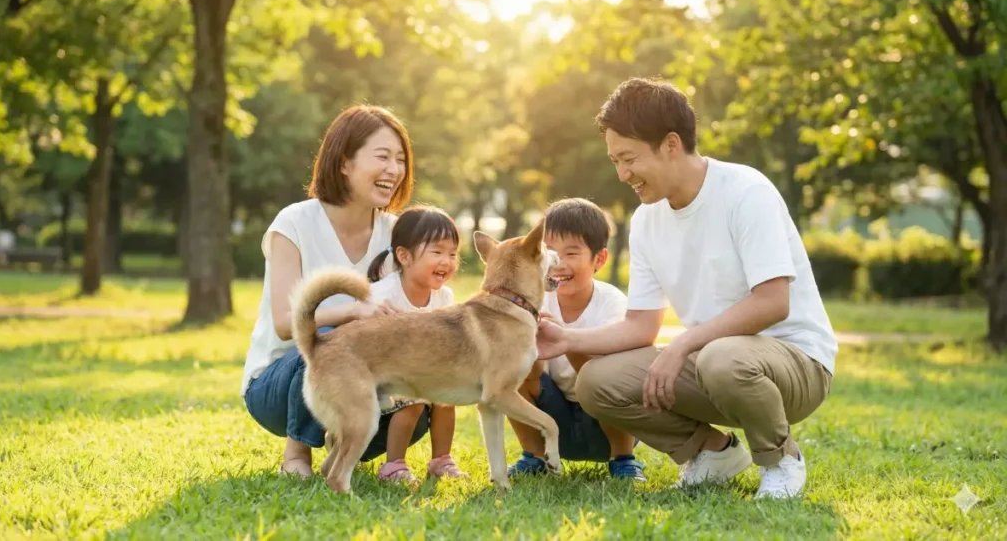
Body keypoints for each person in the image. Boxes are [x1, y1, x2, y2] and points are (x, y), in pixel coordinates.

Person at [536, 78, 838, 499]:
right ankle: (713, 453)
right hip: (714, 363)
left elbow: (773, 302)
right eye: (615, 161)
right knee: (596, 381)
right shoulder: (646, 220)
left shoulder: (745, 192)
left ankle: (781, 460)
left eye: (629, 159)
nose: (623, 174)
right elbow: (640, 326)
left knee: (720, 357)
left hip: (795, 363)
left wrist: (682, 346)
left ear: (672, 145)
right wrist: (566, 337)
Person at [240, 104, 430, 478]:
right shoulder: (294, 222)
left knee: (420, 403)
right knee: (329, 339)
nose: (394, 169)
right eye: (382, 157)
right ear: (344, 162)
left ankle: (342, 443)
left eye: (400, 159)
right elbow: (283, 324)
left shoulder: (398, 234)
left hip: (361, 380)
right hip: (280, 383)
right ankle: (296, 455)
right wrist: (351, 313)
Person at [506, 198, 647, 482]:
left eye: (572, 253)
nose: (559, 264)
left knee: (603, 376)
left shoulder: (613, 304)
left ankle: (623, 460)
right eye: (550, 252)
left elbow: (613, 379)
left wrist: (566, 340)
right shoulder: (535, 299)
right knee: (510, 369)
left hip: (605, 428)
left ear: (600, 259)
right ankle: (533, 456)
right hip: (554, 423)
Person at [359, 205, 467, 484]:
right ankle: (393, 466)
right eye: (437, 252)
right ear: (404, 256)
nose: (447, 261)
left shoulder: (443, 296)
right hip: (376, 378)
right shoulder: (383, 295)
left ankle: (441, 460)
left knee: (446, 395)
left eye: (452, 254)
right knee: (414, 396)